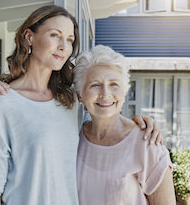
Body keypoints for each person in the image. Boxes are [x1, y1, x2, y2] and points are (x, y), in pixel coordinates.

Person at [0, 5, 163, 205]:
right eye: (55, 35)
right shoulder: (1, 102)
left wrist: (138, 123)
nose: (64, 46)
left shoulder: (70, 100)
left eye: (70, 40)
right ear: (29, 37)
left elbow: (103, 117)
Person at [74, 45, 176, 205]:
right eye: (95, 85)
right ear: (80, 95)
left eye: (114, 84)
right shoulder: (73, 139)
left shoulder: (147, 142)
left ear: (124, 91)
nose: (105, 94)